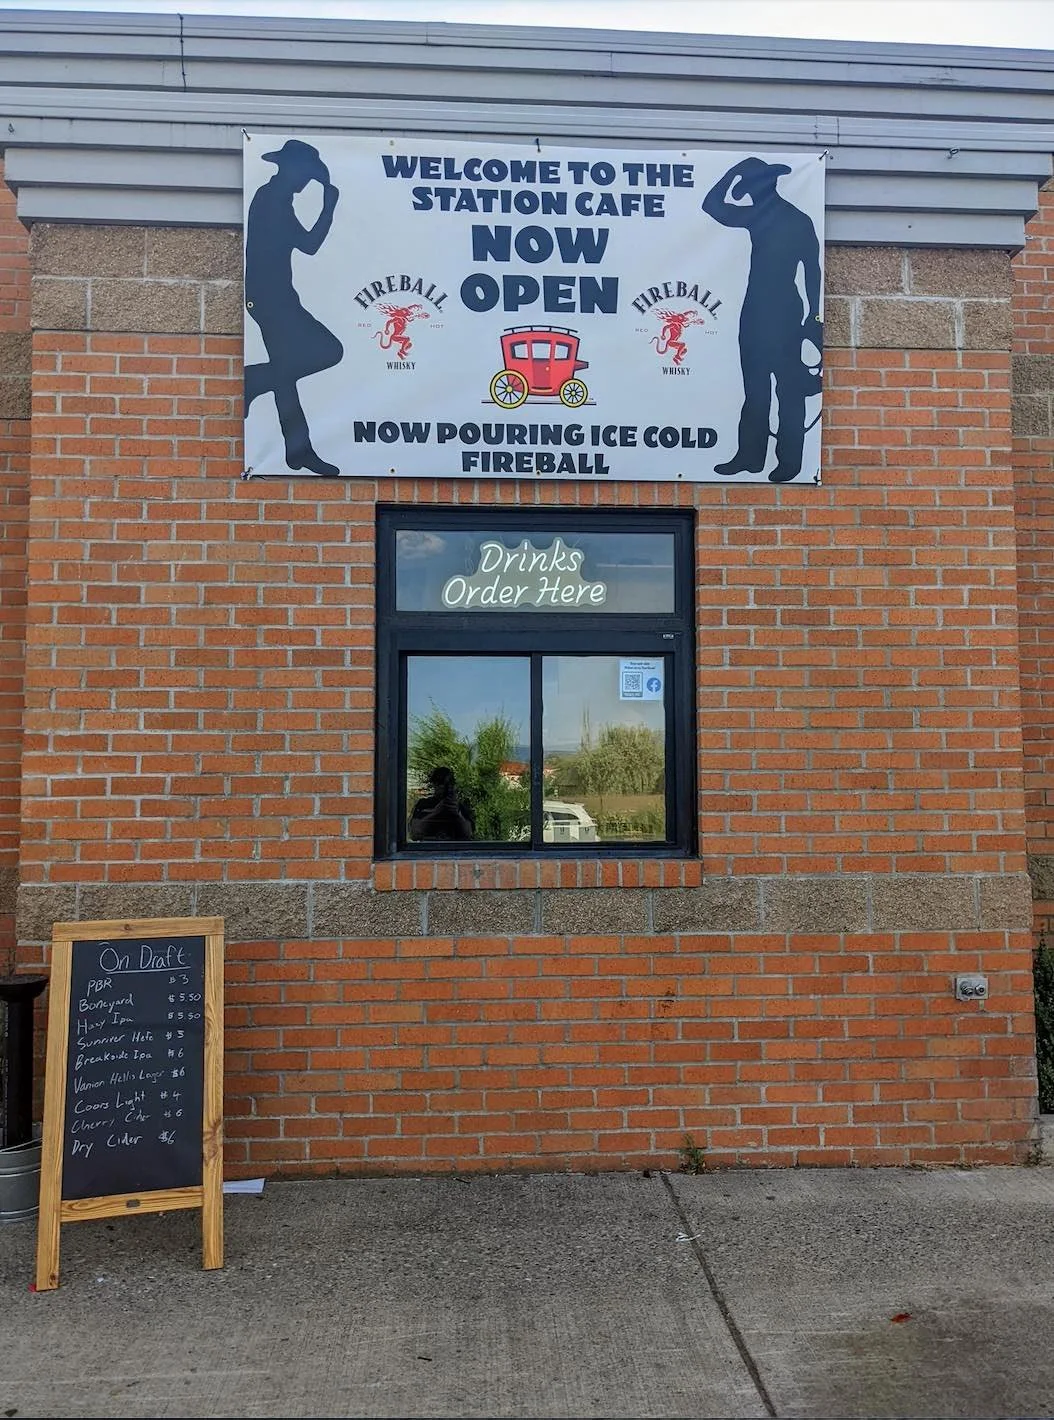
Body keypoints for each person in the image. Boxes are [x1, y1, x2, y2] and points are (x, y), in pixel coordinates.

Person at [701, 156, 822, 484]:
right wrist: (734, 172)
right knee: (755, 389)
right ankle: (750, 457)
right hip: (755, 311)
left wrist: (813, 316)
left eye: (751, 186)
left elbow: (812, 270)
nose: (749, 193)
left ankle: (790, 462)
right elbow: (712, 206)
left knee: (789, 389)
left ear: (765, 186)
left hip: (786, 312)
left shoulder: (796, 219)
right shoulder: (757, 216)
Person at [244, 137, 344, 477]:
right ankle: (298, 449)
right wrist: (329, 207)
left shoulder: (277, 198)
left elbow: (305, 245)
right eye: (305, 174)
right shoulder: (272, 200)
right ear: (289, 169)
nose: (306, 181)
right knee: (326, 352)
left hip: (277, 297)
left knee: (286, 371)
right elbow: (310, 245)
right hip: (270, 298)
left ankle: (297, 449)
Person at [408, 766, 476, 842]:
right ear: (434, 784)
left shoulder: (459, 807)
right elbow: (415, 833)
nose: (446, 787)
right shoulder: (423, 804)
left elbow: (469, 834)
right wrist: (436, 812)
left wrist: (457, 815)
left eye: (451, 784)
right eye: (441, 783)